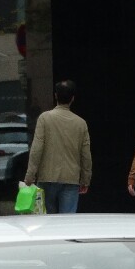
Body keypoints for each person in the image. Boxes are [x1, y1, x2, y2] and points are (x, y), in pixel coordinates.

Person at [26, 79, 92, 213]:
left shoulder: (44, 119)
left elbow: (36, 149)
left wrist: (30, 175)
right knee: (67, 224)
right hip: (71, 180)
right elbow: (86, 155)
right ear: (72, 98)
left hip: (46, 178)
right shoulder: (81, 123)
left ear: (55, 95)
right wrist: (85, 179)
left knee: (47, 223)